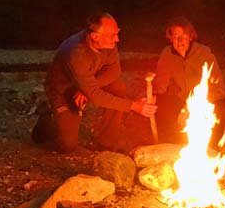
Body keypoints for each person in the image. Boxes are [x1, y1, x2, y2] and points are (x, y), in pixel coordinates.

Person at [32, 12, 157, 153]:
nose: (117, 39)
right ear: (95, 36)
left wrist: (88, 89)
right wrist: (134, 106)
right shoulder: (75, 52)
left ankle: (106, 143)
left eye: (117, 33)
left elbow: (114, 72)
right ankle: (46, 118)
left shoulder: (107, 43)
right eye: (113, 35)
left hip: (87, 82)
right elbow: (96, 97)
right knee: (67, 145)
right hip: (63, 91)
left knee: (117, 87)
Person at [151, 16, 225, 147]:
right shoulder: (167, 54)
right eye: (175, 36)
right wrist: (151, 94)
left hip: (208, 101)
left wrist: (192, 107)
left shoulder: (204, 54)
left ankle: (213, 149)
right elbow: (161, 85)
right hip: (181, 101)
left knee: (220, 112)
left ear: (191, 37)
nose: (180, 41)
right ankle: (174, 148)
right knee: (162, 109)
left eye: (184, 36)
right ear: (170, 38)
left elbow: (219, 90)